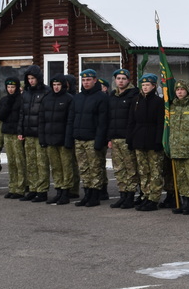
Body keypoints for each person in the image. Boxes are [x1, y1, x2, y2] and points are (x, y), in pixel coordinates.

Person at [71, 69, 109, 207]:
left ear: (95, 80)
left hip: (93, 139)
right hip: (79, 139)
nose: (86, 82)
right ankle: (87, 194)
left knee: (95, 169)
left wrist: (99, 141)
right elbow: (72, 118)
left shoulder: (101, 97)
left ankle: (95, 196)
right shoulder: (78, 97)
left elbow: (103, 122)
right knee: (84, 169)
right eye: (83, 80)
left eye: (88, 80)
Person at [128, 73, 166, 212]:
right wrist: (130, 139)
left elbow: (160, 123)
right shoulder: (136, 100)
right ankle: (145, 195)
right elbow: (131, 121)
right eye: (143, 85)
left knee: (155, 171)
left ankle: (153, 199)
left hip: (152, 140)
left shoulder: (158, 102)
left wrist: (158, 141)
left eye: (147, 85)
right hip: (139, 139)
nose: (145, 87)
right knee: (143, 171)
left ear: (154, 86)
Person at [167, 80, 189, 215]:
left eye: (182, 89)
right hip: (176, 148)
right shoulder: (172, 107)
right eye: (177, 90)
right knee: (180, 177)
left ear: (187, 90)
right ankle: (183, 202)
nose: (180, 92)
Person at [39, 74, 75, 205]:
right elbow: (42, 120)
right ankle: (58, 190)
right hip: (50, 139)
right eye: (54, 85)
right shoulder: (46, 99)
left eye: (58, 85)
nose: (56, 87)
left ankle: (66, 192)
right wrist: (42, 139)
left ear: (63, 85)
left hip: (63, 140)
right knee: (55, 167)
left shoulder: (69, 99)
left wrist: (68, 139)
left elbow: (70, 121)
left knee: (66, 167)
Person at [107, 69, 140, 209]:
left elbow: (135, 119)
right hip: (115, 138)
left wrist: (132, 137)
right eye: (118, 78)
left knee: (130, 168)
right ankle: (122, 195)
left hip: (127, 138)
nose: (120, 81)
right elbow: (109, 118)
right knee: (119, 169)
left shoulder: (134, 95)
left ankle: (130, 196)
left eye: (123, 78)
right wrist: (109, 138)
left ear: (128, 80)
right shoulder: (112, 96)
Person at [17, 65, 50, 202]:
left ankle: (42, 190)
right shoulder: (26, 93)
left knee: (41, 163)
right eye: (29, 78)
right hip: (28, 132)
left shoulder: (46, 92)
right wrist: (21, 130)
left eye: (33, 78)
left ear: (38, 78)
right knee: (30, 162)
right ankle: (33, 188)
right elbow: (22, 113)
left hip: (40, 133)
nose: (31, 81)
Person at [0, 78, 26, 199]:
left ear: (17, 88)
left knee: (19, 161)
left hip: (17, 133)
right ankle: (12, 187)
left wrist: (21, 131)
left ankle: (20, 187)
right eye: (8, 87)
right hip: (7, 133)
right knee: (11, 161)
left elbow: (22, 117)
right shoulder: (4, 100)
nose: (10, 89)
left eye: (13, 87)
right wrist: (8, 103)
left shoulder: (22, 99)